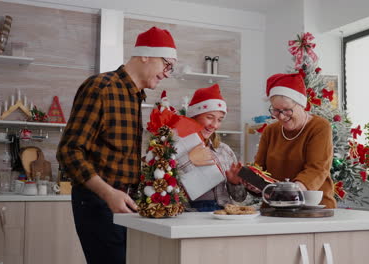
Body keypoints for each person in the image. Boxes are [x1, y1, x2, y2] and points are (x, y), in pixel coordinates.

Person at [56, 26, 177, 264]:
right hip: (99, 200)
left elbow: (117, 155)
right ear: (145, 55)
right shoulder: (101, 88)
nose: (167, 73)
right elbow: (69, 151)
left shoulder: (135, 96)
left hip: (125, 201)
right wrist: (108, 193)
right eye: (167, 64)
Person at [253, 73, 337, 208]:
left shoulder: (319, 127)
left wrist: (289, 192)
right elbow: (259, 170)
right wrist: (252, 182)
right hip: (275, 207)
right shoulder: (270, 131)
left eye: (287, 110)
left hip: (313, 207)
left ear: (301, 105)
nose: (281, 116)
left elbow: (317, 169)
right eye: (275, 110)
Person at [179, 83, 246, 211]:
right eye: (209, 117)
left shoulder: (224, 151)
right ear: (194, 116)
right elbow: (165, 189)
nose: (214, 125)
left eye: (220, 119)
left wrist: (234, 182)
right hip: (189, 215)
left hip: (224, 214)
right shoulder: (176, 150)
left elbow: (239, 198)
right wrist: (189, 160)